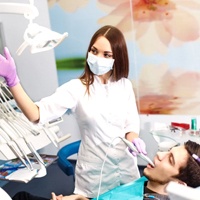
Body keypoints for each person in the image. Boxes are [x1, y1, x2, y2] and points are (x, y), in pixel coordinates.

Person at [0, 25, 147, 198]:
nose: (98, 58)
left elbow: (130, 126)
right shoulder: (76, 88)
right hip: (94, 179)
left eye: (106, 55)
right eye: (94, 51)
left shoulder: (125, 86)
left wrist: (134, 139)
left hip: (126, 173)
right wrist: (13, 81)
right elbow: (36, 114)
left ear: (117, 57)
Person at [11, 140, 200, 200]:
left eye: (170, 159)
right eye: (167, 150)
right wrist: (81, 199)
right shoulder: (147, 182)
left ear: (179, 184)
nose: (159, 154)